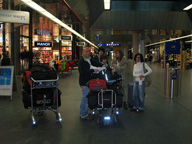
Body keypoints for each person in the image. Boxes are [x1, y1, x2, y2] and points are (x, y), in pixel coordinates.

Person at [78, 47, 103, 120]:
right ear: (82, 52)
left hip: (88, 81)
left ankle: (83, 112)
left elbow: (94, 62)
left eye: (89, 51)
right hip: (84, 82)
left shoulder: (88, 59)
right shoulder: (81, 61)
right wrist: (92, 70)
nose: (88, 53)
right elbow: (83, 72)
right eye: (86, 51)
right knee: (85, 98)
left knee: (86, 97)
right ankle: (83, 115)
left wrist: (102, 65)